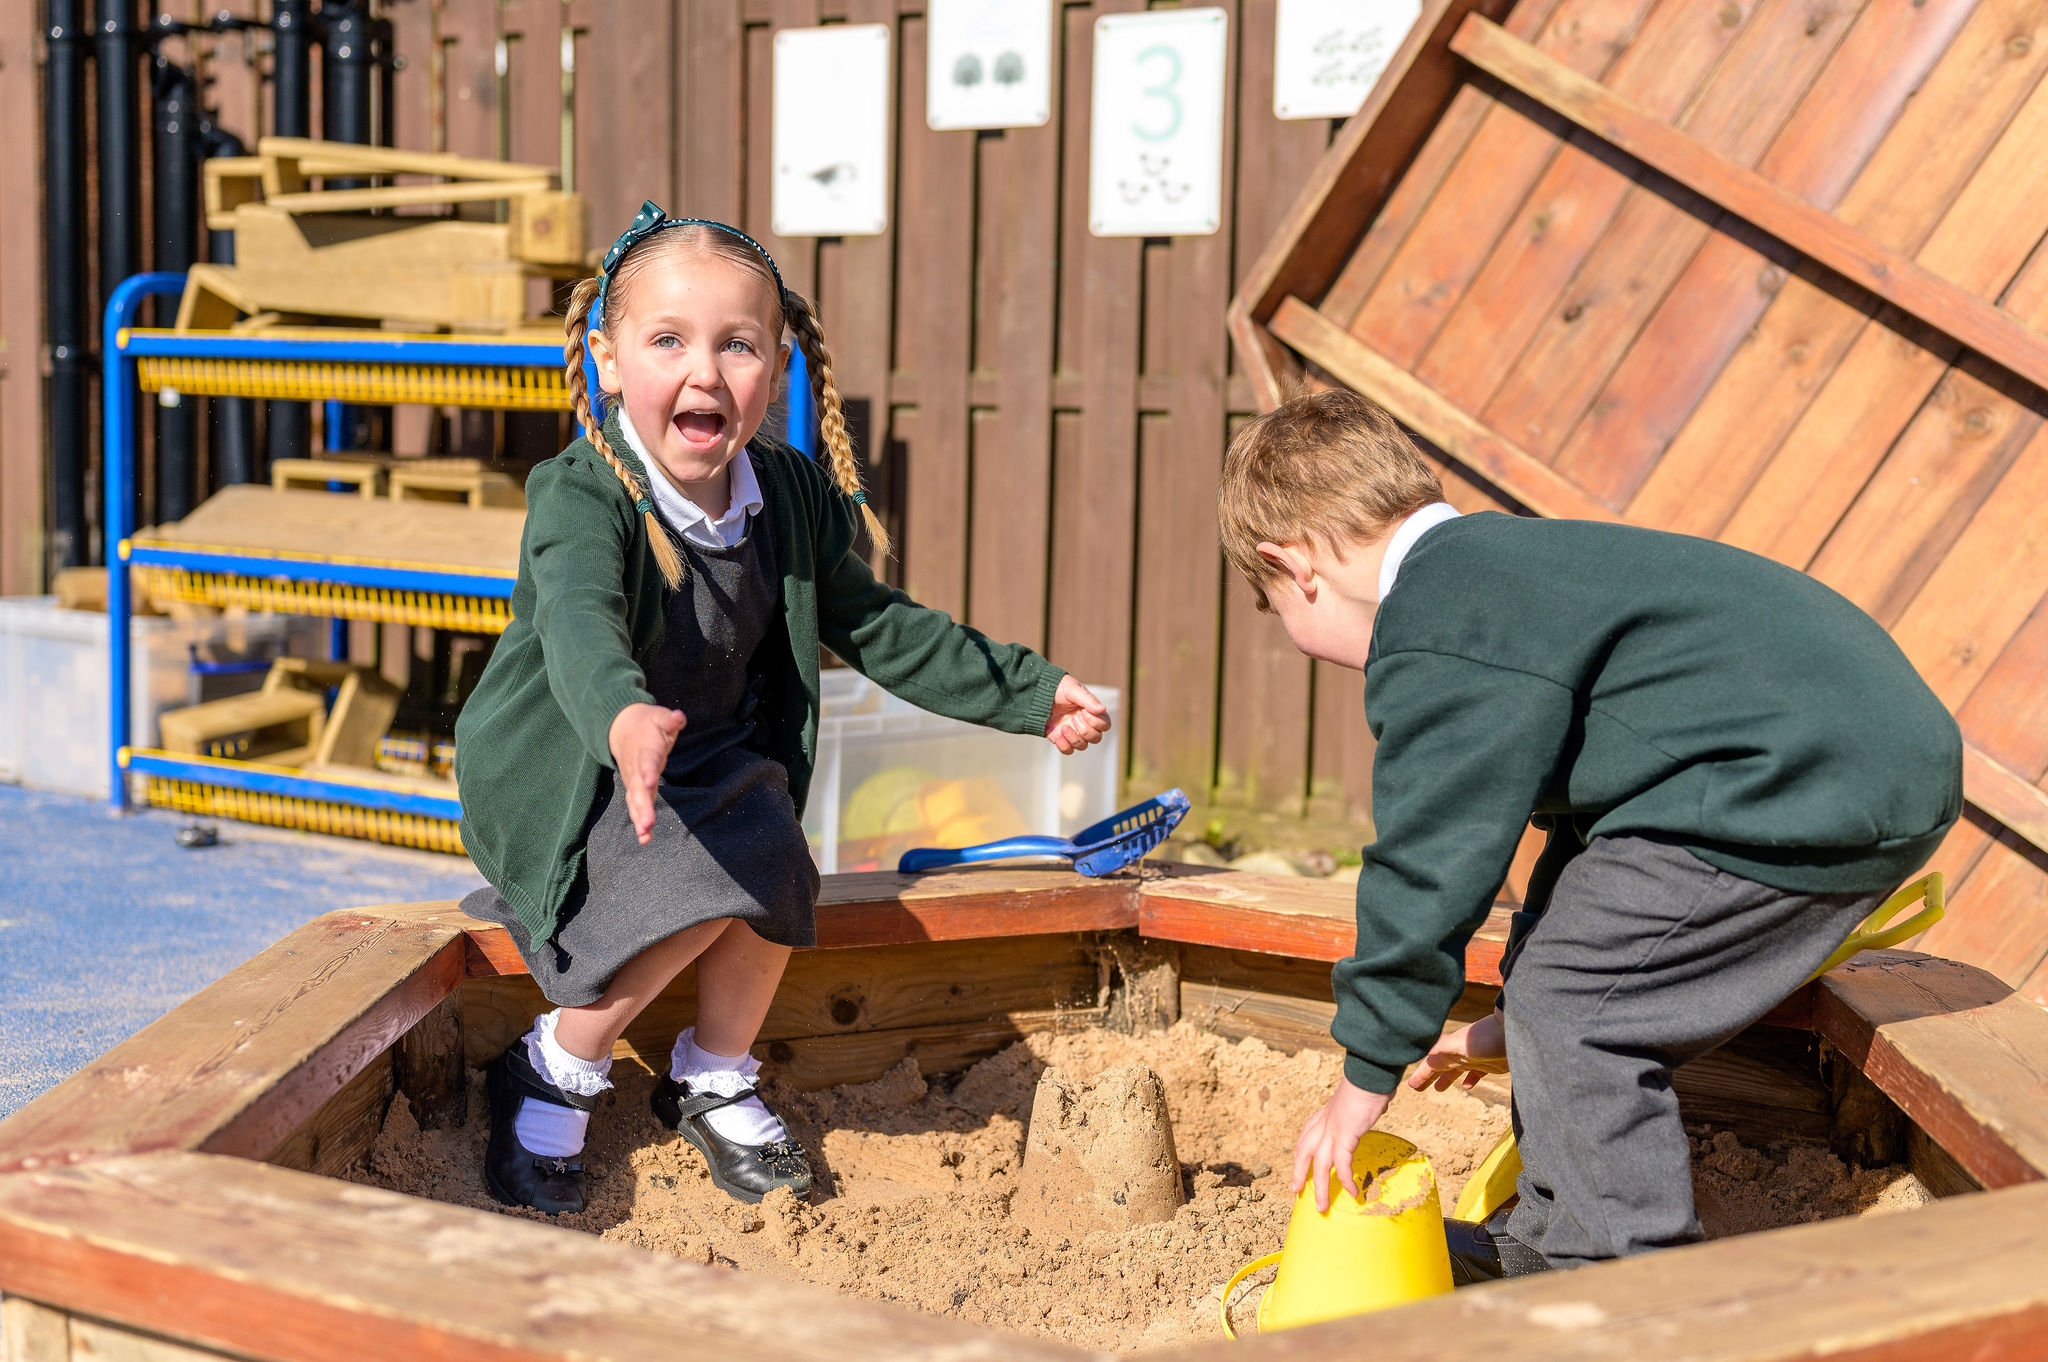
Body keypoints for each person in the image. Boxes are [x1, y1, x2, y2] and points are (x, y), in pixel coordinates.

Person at [1215, 388, 1961, 1279]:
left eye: (1277, 609)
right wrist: (1512, 1016)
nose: (1301, 640)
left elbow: (1428, 862)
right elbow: (1594, 842)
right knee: (1560, 992)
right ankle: (1555, 1238)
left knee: (1581, 1006)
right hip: (1828, 764)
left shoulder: (1439, 619)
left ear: (1293, 565)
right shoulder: (1508, 575)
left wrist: (1366, 1074)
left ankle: (1623, 1285)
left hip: (1802, 780)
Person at [454, 201, 1111, 1213]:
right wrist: (625, 718)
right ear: (607, 360)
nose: (704, 372)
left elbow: (880, 625)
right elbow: (580, 625)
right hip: (569, 769)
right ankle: (556, 1063)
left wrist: (1027, 692)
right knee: (700, 879)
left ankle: (712, 1072)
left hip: (707, 766)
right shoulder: (581, 492)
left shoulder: (788, 495)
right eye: (667, 341)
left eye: (738, 344)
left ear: (780, 363)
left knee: (773, 855)